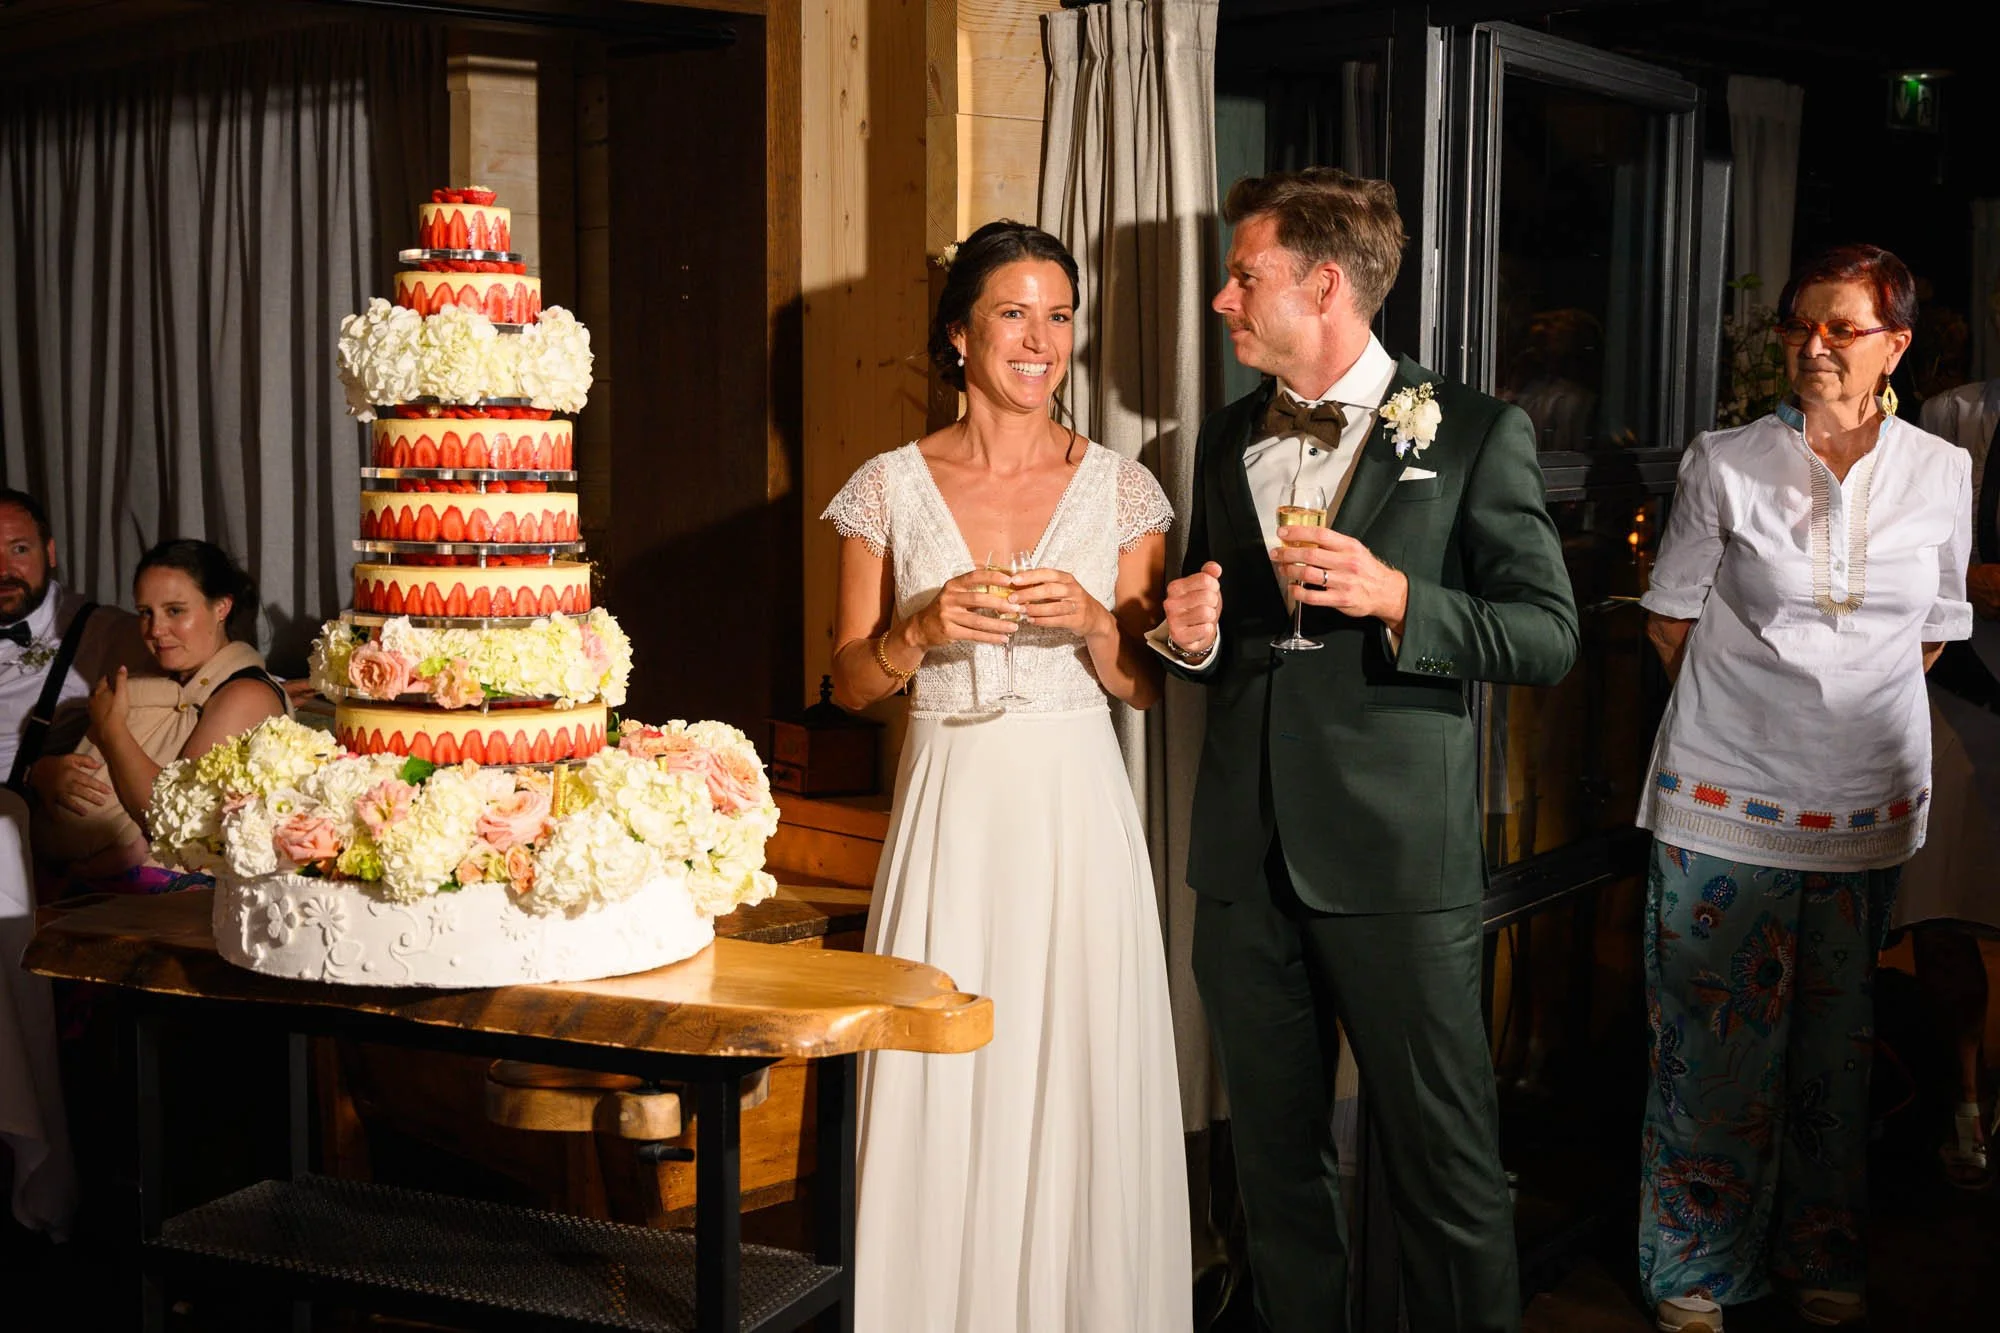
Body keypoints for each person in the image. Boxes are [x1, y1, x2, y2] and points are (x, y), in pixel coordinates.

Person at [1155, 167, 1579, 1333]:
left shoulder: (1479, 432)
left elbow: (1548, 637)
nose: (1221, 301)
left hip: (1395, 871)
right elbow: (1225, 625)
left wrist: (1401, 598)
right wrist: (1185, 636)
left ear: (1324, 284)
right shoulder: (1226, 437)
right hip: (1243, 866)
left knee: (1443, 1175)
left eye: (1245, 277)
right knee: (1275, 1175)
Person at [821, 219, 1190, 1333]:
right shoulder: (886, 485)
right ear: (958, 334)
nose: (1041, 339)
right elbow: (845, 682)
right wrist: (920, 626)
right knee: (943, 1068)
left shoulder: (1122, 489)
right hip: (949, 814)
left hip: (1078, 814)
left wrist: (1090, 619)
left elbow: (1143, 689)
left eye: (1060, 315)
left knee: (1079, 1067)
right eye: (1014, 313)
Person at [1635, 245, 1970, 1333]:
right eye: (1797, 327)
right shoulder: (1724, 459)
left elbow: (1931, 632)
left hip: (1865, 807)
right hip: (1722, 797)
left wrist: (1837, 723)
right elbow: (1669, 617)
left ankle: (1820, 1253)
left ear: (1895, 344)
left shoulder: (1938, 471)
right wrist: (1756, 720)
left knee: (1836, 1044)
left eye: (1839, 327)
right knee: (1710, 1036)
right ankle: (1693, 1263)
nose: (1812, 346)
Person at [33, 537, 287, 894]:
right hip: (69, 875)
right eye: (145, 612)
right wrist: (40, 773)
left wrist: (112, 731)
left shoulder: (243, 694)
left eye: (175, 611)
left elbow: (170, 820)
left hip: (161, 895)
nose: (155, 630)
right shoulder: (156, 679)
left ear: (221, 608)